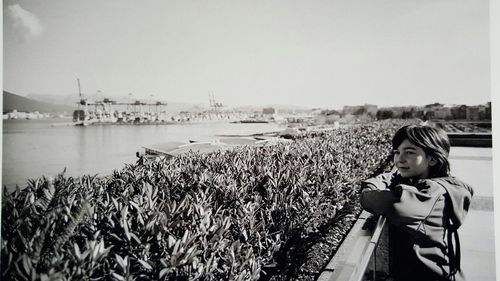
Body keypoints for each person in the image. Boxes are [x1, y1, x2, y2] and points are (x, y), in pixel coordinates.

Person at [360, 124, 473, 281]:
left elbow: (382, 201)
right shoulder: (437, 185)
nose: (399, 159)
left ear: (433, 158)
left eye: (409, 152)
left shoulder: (431, 194)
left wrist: (370, 188)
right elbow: (392, 179)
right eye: (397, 152)